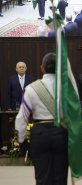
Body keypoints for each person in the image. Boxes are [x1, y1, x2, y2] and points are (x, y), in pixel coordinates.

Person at [15, 53, 68, 185]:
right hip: (61, 134)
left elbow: (21, 118)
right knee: (60, 179)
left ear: (42, 68)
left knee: (42, 178)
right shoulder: (67, 88)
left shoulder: (31, 88)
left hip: (40, 135)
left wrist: (22, 142)